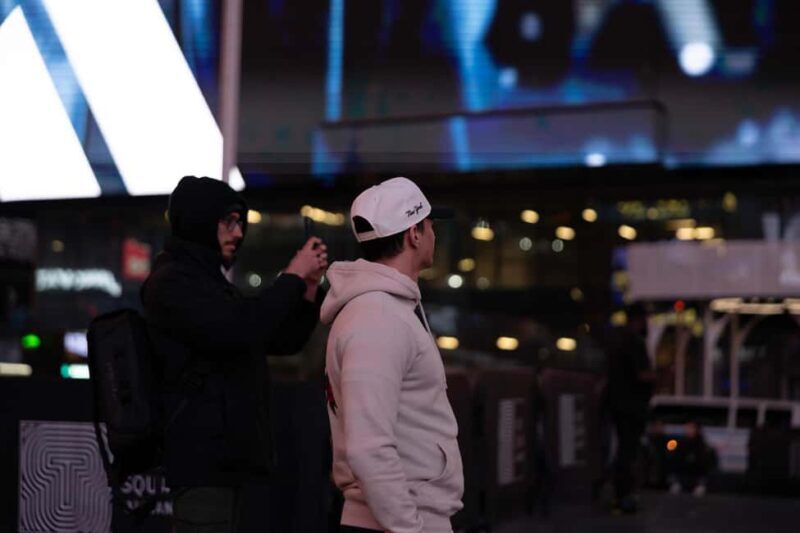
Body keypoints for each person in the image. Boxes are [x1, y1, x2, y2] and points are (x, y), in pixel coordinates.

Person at [141, 176, 327, 532]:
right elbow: (244, 328)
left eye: (240, 222)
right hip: (203, 464)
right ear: (199, 221)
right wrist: (292, 275)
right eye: (228, 222)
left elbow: (280, 341)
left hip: (233, 463)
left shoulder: (211, 284)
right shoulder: (173, 283)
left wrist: (308, 288)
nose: (238, 233)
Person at [321, 177, 464, 533]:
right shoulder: (378, 317)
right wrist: (410, 528)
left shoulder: (384, 309)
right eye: (430, 225)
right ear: (415, 233)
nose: (434, 233)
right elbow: (369, 448)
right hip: (393, 523)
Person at [605, 303, 655, 514]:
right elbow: (642, 375)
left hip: (619, 405)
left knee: (624, 451)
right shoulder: (634, 342)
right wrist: (655, 377)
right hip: (631, 407)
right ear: (638, 319)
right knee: (628, 452)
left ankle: (621, 496)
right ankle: (624, 497)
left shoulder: (618, 341)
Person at [668, 421, 715, 497]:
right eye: (687, 428)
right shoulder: (681, 443)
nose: (688, 430)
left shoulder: (702, 444)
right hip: (682, 475)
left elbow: (706, 464)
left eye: (691, 428)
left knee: (700, 489)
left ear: (697, 429)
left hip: (697, 476)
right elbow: (676, 461)